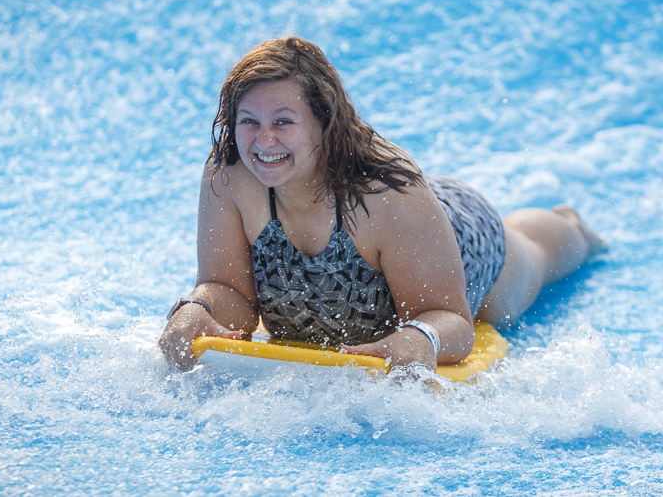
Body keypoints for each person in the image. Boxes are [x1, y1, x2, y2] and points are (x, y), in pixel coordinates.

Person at [159, 37, 605, 372]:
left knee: (526, 268)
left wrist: (422, 337)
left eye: (283, 121)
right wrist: (198, 309)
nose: (264, 141)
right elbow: (233, 294)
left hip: (454, 239)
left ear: (324, 122)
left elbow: (453, 321)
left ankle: (575, 227)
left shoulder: (387, 193)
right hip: (404, 229)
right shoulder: (230, 176)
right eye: (249, 122)